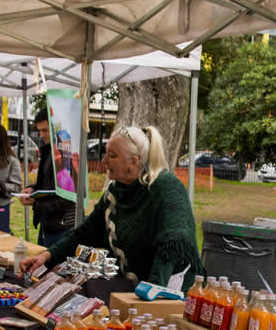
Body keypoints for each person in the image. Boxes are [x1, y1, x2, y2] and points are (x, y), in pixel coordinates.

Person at [21, 125, 203, 293]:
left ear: (134, 161)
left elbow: (171, 246)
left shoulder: (166, 187)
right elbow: (84, 233)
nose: (104, 161)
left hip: (172, 292)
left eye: (112, 155)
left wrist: (151, 294)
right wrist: (46, 256)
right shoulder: (115, 193)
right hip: (138, 289)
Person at [18, 107, 75, 247]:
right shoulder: (48, 151)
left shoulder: (66, 154)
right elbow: (46, 185)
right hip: (48, 224)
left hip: (63, 228)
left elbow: (68, 199)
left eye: (44, 130)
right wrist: (32, 189)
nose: (41, 135)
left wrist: (35, 203)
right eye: (39, 130)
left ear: (55, 128)